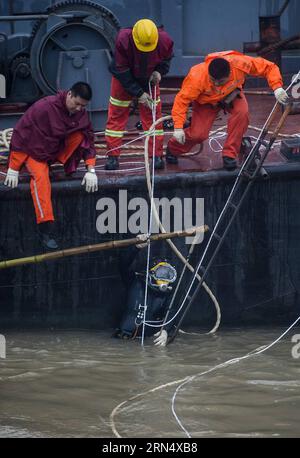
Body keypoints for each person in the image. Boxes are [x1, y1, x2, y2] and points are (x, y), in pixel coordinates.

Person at [4, 82, 98, 249]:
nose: (78, 109)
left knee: (80, 134)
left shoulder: (79, 114)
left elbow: (88, 138)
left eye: (82, 106)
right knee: (41, 180)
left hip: (53, 151)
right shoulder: (45, 107)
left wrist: (91, 169)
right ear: (69, 94)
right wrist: (14, 167)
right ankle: (45, 228)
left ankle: (65, 165)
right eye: (76, 104)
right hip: (34, 152)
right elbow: (22, 134)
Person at [166, 50, 289, 170]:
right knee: (198, 135)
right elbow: (181, 101)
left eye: (220, 81)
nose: (216, 84)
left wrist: (277, 87)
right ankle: (173, 149)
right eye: (213, 80)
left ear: (230, 73)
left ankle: (229, 155)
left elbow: (269, 67)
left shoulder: (240, 64)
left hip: (231, 95)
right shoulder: (196, 76)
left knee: (242, 113)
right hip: (206, 103)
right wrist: (178, 127)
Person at [105, 19, 174, 171]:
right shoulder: (123, 40)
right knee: (117, 115)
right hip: (124, 78)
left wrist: (159, 72)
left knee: (153, 116)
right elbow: (121, 70)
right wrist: (139, 94)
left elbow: (166, 59)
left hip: (149, 77)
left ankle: (156, 156)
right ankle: (112, 156)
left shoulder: (165, 41)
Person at [114, 236, 179, 346]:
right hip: (123, 340)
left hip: (150, 341)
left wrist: (165, 331)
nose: (165, 279)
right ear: (152, 273)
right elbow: (123, 263)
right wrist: (136, 247)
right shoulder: (135, 282)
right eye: (162, 273)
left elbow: (171, 313)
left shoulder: (168, 294)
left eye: (169, 275)